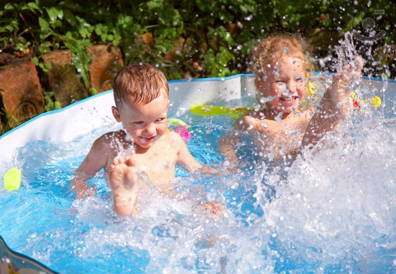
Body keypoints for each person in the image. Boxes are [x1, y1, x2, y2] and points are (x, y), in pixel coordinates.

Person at [72, 63, 219, 217]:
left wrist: (221, 174)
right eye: (138, 123)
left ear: (167, 109)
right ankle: (124, 200)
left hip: (167, 205)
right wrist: (87, 199)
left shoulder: (173, 142)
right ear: (118, 115)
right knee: (125, 216)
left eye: (159, 119)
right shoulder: (109, 146)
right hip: (133, 211)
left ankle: (125, 203)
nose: (150, 131)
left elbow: (198, 170)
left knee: (210, 214)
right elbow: (80, 176)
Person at [219, 33, 363, 167]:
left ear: (306, 81)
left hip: (312, 167)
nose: (291, 88)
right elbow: (225, 142)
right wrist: (232, 161)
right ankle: (333, 97)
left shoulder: (308, 115)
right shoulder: (253, 121)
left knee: (328, 131)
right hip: (283, 167)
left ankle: (338, 101)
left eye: (299, 79)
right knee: (306, 151)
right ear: (260, 85)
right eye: (280, 81)